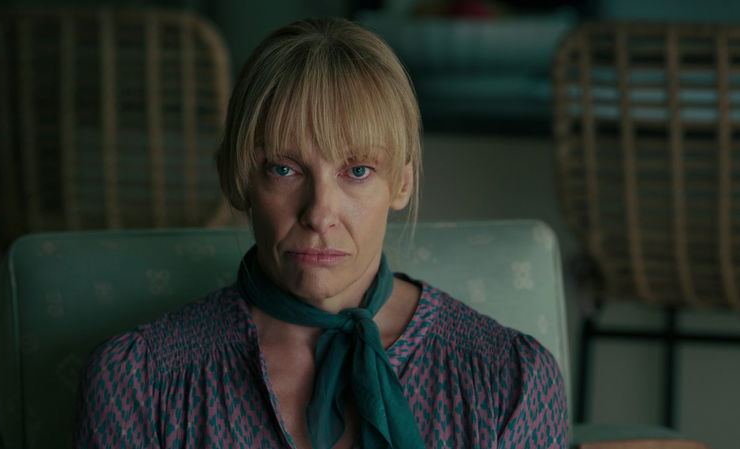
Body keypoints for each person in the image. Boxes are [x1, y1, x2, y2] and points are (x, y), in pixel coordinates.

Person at [74, 17, 567, 449]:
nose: (319, 213)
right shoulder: (140, 383)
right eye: (283, 169)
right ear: (236, 178)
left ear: (402, 183)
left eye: (357, 171)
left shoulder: (509, 380)